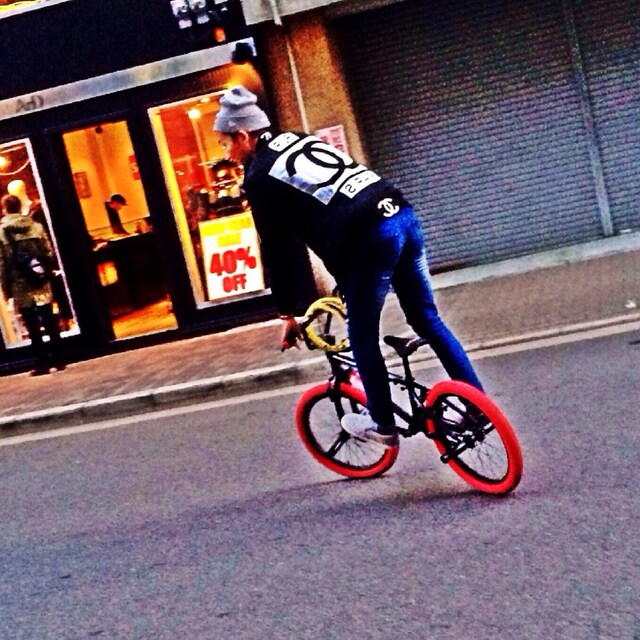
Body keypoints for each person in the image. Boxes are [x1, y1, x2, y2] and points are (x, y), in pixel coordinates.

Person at [213, 86, 483, 447]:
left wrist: (287, 312)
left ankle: (382, 424)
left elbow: (277, 249)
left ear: (243, 134)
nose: (226, 153)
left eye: (225, 143)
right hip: (401, 216)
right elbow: (334, 205)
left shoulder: (259, 175)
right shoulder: (296, 139)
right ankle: (477, 405)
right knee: (427, 319)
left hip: (370, 239)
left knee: (361, 334)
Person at [0, 194, 65, 376]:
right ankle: (58, 357)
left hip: (20, 283)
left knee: (31, 323)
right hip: (40, 278)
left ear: (5, 209)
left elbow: (2, 263)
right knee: (49, 318)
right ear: (20, 207)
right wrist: (43, 271)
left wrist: (6, 289)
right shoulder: (36, 227)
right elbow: (49, 253)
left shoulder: (2, 231)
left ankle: (41, 361)